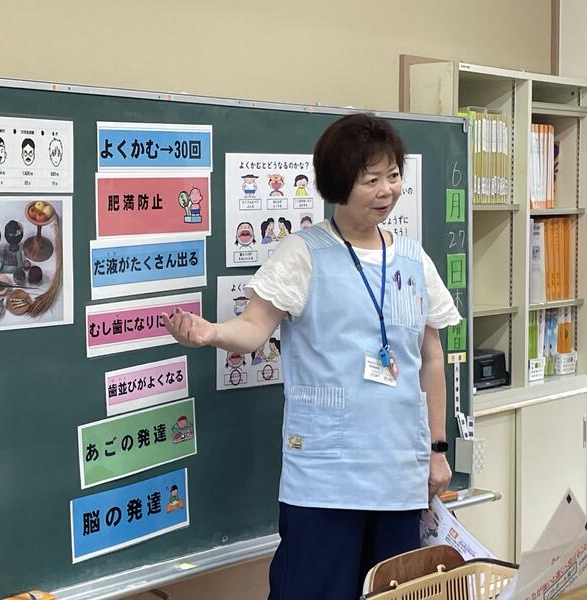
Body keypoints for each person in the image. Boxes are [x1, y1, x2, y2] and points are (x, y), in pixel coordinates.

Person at [162, 113, 461, 599]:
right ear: (339, 185)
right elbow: (253, 329)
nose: (387, 190)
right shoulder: (302, 252)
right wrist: (209, 333)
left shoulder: (412, 258)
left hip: (400, 472)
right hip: (326, 477)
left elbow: (430, 358)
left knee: (394, 593)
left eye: (392, 176)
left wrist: (438, 450)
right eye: (371, 180)